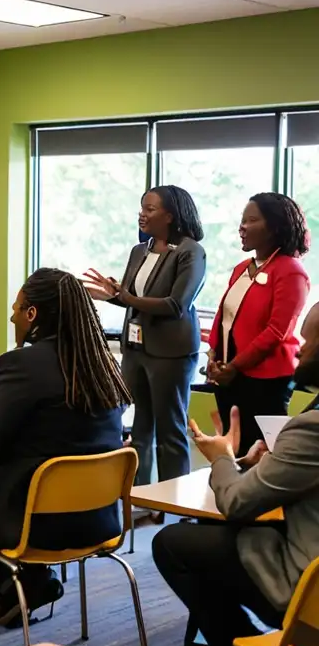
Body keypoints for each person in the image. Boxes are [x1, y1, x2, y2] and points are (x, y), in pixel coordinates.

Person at [0, 268, 131, 626]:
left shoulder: (20, 365)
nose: (11, 316)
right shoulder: (104, 366)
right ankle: (26, 582)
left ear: (32, 314)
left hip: (35, 524)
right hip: (97, 520)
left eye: (17, 308)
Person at [152, 299, 319, 646]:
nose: (298, 345)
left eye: (308, 337)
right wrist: (258, 463)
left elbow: (237, 503)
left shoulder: (311, 427)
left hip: (308, 585)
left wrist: (222, 460)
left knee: (174, 543)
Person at [86, 184, 206, 487]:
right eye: (141, 208)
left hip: (171, 352)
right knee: (139, 427)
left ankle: (174, 504)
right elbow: (133, 298)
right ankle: (139, 496)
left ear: (170, 215)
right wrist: (109, 295)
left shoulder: (191, 251)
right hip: (136, 348)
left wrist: (123, 296)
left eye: (149, 209)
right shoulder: (140, 249)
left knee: (170, 430)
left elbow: (176, 305)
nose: (142, 214)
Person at [207, 193, 310, 456]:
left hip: (266, 379)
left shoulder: (291, 271)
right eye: (242, 220)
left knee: (259, 454)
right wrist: (213, 357)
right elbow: (223, 315)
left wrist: (234, 366)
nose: (242, 227)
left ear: (275, 226)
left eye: (251, 220)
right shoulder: (242, 267)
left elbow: (277, 330)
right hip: (229, 376)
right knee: (232, 450)